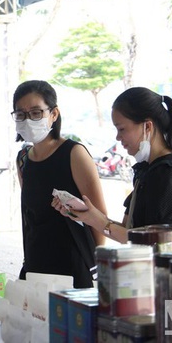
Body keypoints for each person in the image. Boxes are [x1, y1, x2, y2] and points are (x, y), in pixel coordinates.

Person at [53, 87, 172, 244]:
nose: (118, 137)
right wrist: (89, 215)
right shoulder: (149, 171)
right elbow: (130, 231)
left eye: (122, 129)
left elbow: (154, 243)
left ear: (147, 126)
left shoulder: (168, 174)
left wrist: (99, 221)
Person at [13, 80, 107, 288]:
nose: (28, 120)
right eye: (21, 114)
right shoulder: (23, 159)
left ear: (53, 114)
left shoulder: (74, 153)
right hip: (36, 266)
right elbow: (31, 216)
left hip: (73, 267)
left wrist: (98, 266)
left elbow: (99, 218)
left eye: (36, 112)